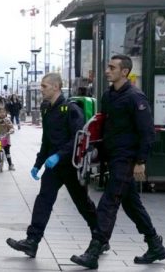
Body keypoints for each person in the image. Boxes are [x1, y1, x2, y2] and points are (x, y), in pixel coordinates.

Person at [71, 55, 165, 269]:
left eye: (112, 67)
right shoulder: (108, 95)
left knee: (109, 202)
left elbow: (147, 132)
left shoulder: (135, 97)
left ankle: (94, 250)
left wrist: (141, 161)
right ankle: (155, 244)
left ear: (124, 72)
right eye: (108, 66)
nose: (107, 71)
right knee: (131, 204)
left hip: (127, 158)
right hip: (113, 157)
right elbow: (103, 125)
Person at [6, 73, 102, 258]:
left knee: (83, 204)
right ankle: (32, 241)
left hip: (70, 165)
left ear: (56, 87)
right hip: (54, 167)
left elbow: (78, 138)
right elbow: (46, 140)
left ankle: (101, 237)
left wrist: (59, 155)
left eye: (44, 86)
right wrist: (38, 163)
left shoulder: (71, 110)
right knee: (44, 200)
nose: (41, 89)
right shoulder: (47, 109)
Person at [0, 106, 15, 171]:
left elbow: (12, 127)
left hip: (6, 138)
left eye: (4, 112)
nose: (2, 113)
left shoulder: (7, 120)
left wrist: (10, 131)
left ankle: (10, 165)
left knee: (7, 153)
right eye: (0, 112)